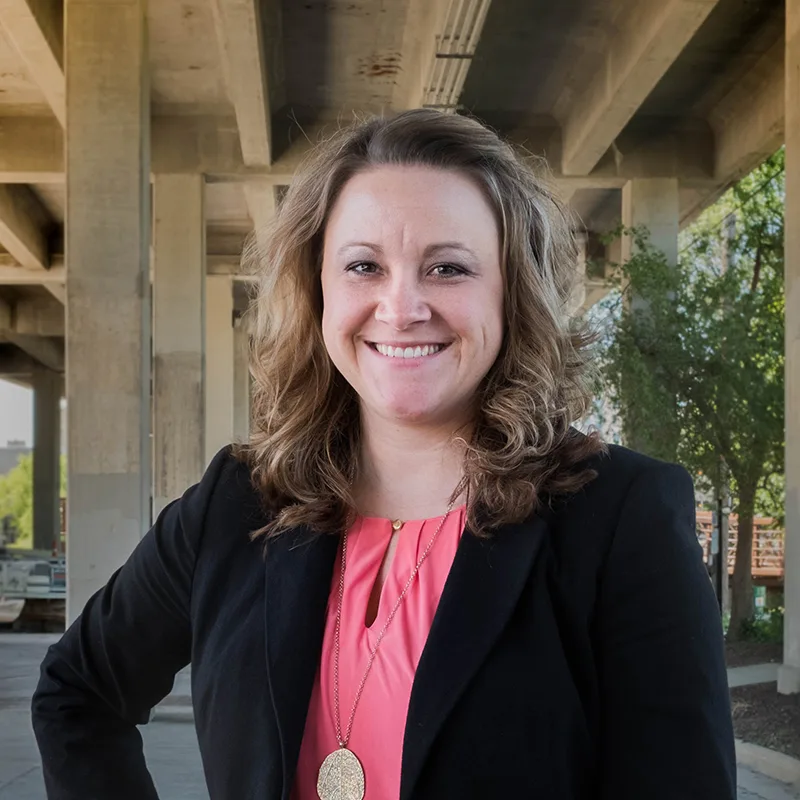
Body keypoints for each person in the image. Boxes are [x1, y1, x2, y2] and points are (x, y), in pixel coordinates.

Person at [31, 109, 736, 800]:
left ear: (513, 292)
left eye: (449, 268)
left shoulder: (619, 519)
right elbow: (78, 693)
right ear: (319, 290)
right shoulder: (238, 502)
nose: (401, 308)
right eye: (365, 265)